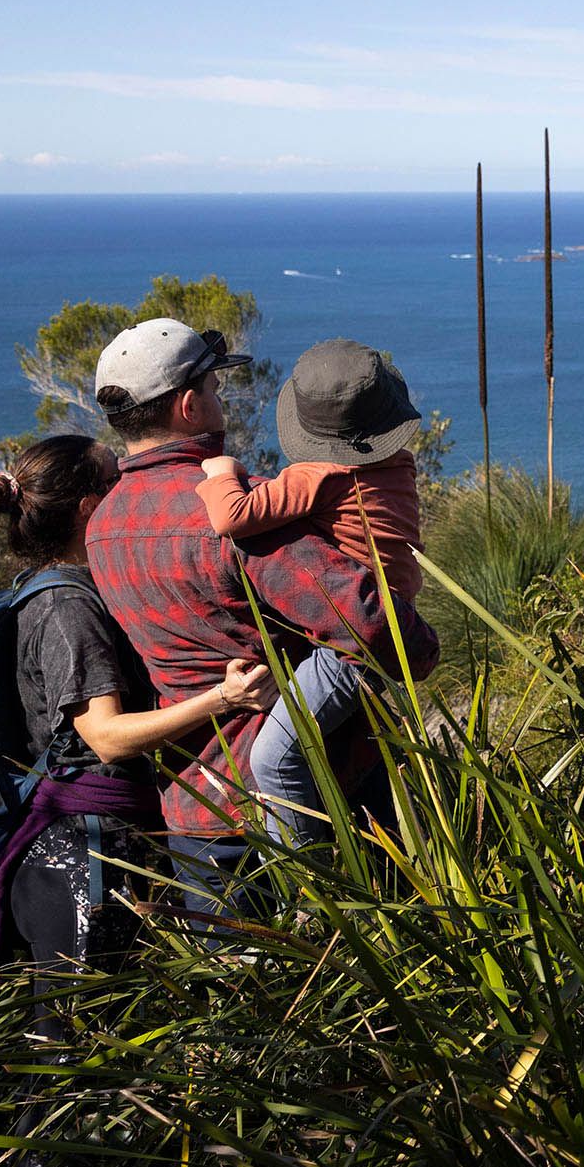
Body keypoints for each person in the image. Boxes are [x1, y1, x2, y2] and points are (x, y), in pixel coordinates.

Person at [83, 318, 437, 922]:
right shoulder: (243, 526)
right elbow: (376, 629)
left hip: (196, 811)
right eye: (217, 390)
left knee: (241, 998)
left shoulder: (102, 527)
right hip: (320, 799)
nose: (222, 401)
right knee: (368, 983)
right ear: (191, 405)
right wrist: (423, 644)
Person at [0, 434, 275, 1013]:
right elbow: (103, 736)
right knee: (74, 1062)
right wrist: (223, 698)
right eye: (115, 478)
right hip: (80, 858)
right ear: (88, 507)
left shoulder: (73, 590)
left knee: (87, 1055)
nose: (130, 485)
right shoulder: (66, 608)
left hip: (88, 847)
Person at [195, 339, 426, 845]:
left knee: (273, 759)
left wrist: (220, 473)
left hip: (351, 641)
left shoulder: (319, 473)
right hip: (394, 618)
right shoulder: (397, 463)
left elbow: (231, 518)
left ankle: (313, 883)